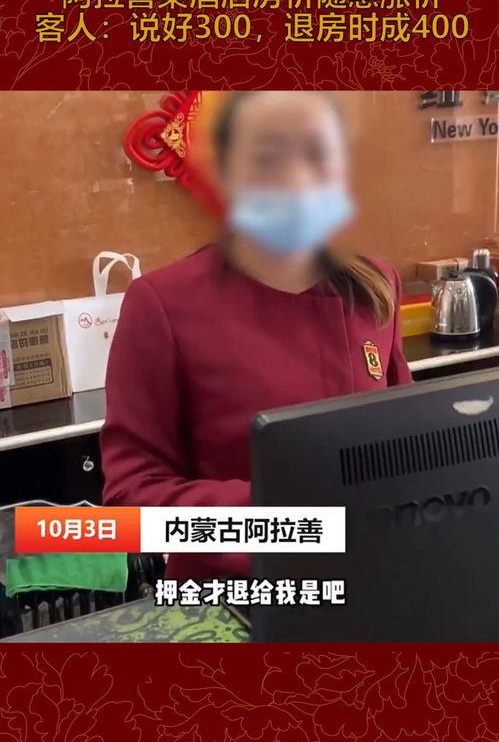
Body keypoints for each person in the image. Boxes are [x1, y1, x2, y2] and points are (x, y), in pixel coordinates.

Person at [101, 91, 412, 581]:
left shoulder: (375, 286)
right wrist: (286, 513)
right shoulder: (162, 304)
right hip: (232, 598)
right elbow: (131, 502)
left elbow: (408, 444)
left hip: (371, 583)